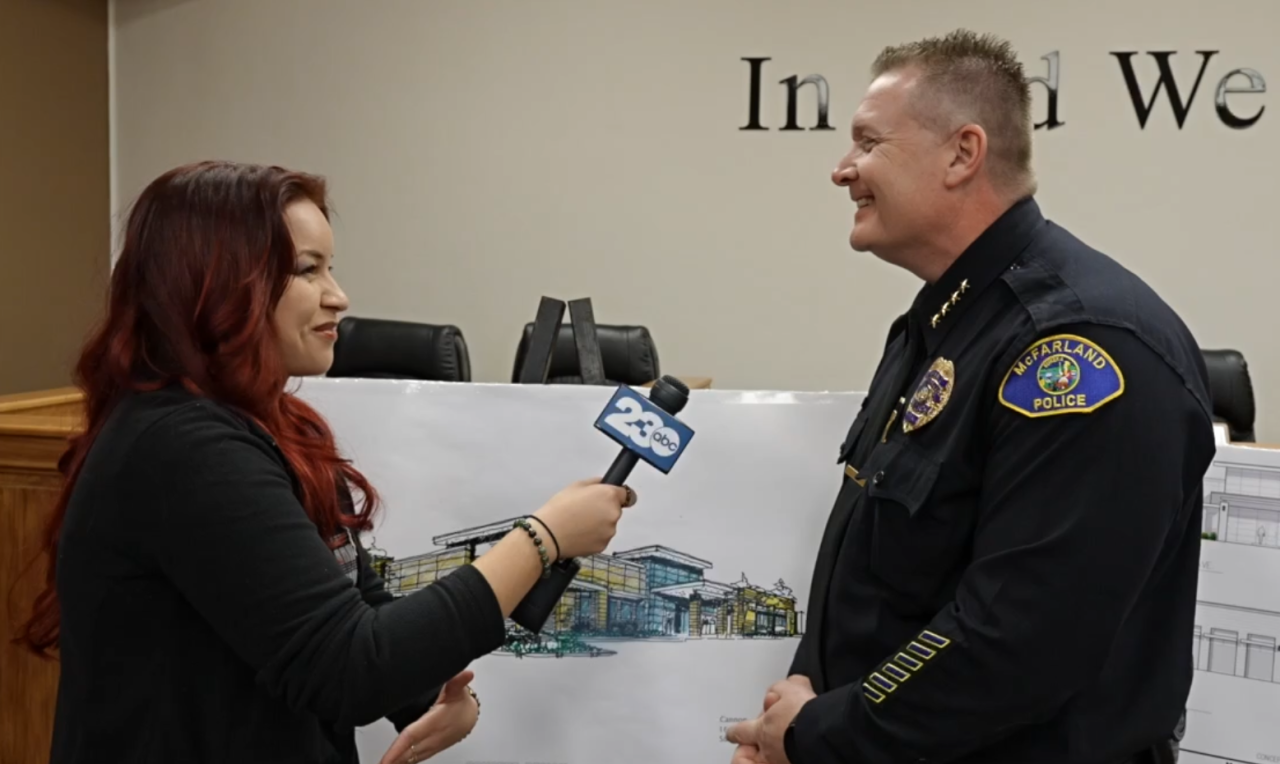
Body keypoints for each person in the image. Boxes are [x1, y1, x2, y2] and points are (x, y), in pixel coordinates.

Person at [14, 160, 637, 764]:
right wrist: (542, 539)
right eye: (307, 270)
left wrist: (425, 695)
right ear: (216, 282)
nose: (338, 297)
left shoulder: (271, 426)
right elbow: (346, 667)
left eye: (330, 268)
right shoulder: (182, 448)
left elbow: (352, 602)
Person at [727, 29, 1212, 764]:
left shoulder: (1080, 348)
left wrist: (816, 733)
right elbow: (877, 582)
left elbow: (1017, 642)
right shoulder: (937, 328)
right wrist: (795, 717)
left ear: (963, 153)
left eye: (868, 142)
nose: (842, 170)